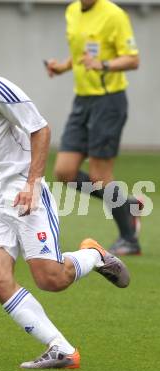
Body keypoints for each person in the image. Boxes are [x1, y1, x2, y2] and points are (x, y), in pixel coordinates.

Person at [0, 14, 130, 369]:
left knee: (51, 279)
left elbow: (40, 129)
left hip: (22, 191)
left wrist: (32, 184)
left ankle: (93, 255)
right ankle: (61, 348)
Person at [45, 0, 141, 256]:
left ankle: (129, 239)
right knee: (64, 172)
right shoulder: (72, 11)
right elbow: (79, 55)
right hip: (82, 100)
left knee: (100, 177)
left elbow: (133, 60)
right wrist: (62, 66)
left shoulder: (114, 15)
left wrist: (105, 65)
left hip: (109, 100)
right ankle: (127, 205)